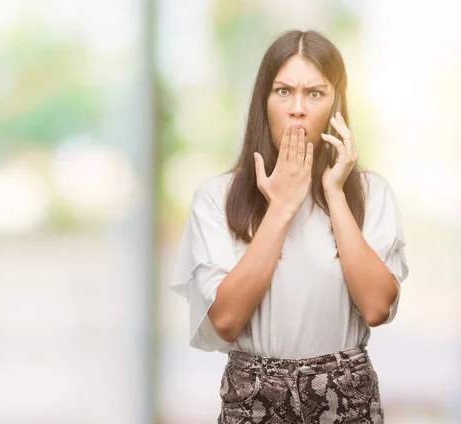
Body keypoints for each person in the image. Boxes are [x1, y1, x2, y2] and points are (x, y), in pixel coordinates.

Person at [168, 29, 409, 423]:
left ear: (336, 105)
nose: (297, 108)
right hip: (255, 399)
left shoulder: (371, 193)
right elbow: (226, 320)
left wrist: (333, 192)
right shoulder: (216, 197)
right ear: (263, 101)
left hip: (345, 398)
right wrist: (280, 207)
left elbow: (376, 306)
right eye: (283, 91)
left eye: (315, 93)